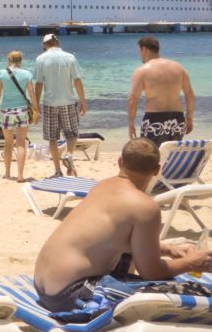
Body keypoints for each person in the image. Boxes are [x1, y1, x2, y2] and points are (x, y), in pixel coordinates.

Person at [33, 138, 212, 313]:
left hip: (43, 288)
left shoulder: (101, 186)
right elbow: (151, 272)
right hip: (70, 296)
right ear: (157, 170)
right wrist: (192, 263)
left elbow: (113, 238)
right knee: (184, 290)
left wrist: (170, 250)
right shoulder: (145, 207)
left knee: (129, 255)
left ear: (120, 161)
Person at [34, 34, 87, 178]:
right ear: (58, 42)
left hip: (50, 104)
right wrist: (83, 101)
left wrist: (36, 104)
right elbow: (77, 81)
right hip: (68, 102)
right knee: (72, 133)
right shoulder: (69, 57)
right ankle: (69, 154)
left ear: (45, 45)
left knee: (52, 138)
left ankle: (58, 171)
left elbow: (38, 84)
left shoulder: (40, 59)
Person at [127, 37, 194, 146]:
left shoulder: (142, 71)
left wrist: (131, 124)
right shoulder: (178, 68)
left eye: (139, 51)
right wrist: (189, 118)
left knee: (151, 153)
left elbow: (132, 99)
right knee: (171, 154)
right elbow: (189, 95)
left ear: (144, 49)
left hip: (154, 120)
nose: (140, 54)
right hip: (177, 119)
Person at [0, 50, 38, 182]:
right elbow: (32, 94)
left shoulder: (1, 73)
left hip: (6, 111)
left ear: (9, 60)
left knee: (8, 143)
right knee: (21, 143)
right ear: (21, 60)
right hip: (22, 111)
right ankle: (21, 175)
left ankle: (7, 172)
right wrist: (37, 109)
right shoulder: (27, 74)